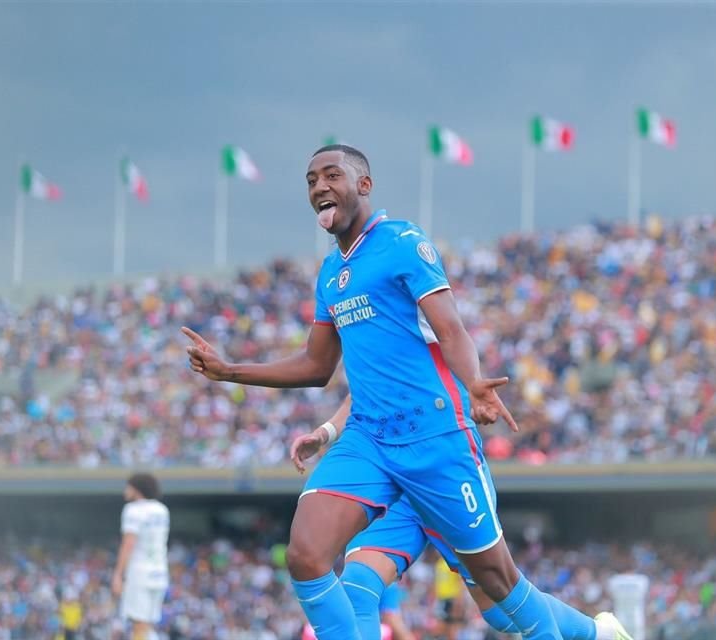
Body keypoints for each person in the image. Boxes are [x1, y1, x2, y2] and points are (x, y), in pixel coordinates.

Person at [183, 144, 607, 640]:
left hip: (434, 439)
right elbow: (320, 366)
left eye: (331, 175)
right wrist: (231, 371)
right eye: (310, 179)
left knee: (498, 592)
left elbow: (451, 331)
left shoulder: (402, 243)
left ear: (364, 185)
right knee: (309, 554)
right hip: (372, 442)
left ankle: (595, 635)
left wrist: (474, 384)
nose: (319, 186)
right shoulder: (331, 275)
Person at [290, 396, 633, 640]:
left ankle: (598, 632)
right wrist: (326, 433)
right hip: (393, 477)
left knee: (500, 611)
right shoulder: (356, 309)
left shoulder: (423, 310)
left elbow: (452, 355)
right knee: (358, 586)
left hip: (444, 473)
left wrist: (475, 389)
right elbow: (364, 390)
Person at [113, 473, 170, 640]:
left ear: (136, 488)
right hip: (159, 572)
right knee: (148, 624)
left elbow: (128, 543)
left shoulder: (133, 510)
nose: (125, 490)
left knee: (138, 624)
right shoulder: (162, 510)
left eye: (128, 486)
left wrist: (118, 574)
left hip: (139, 572)